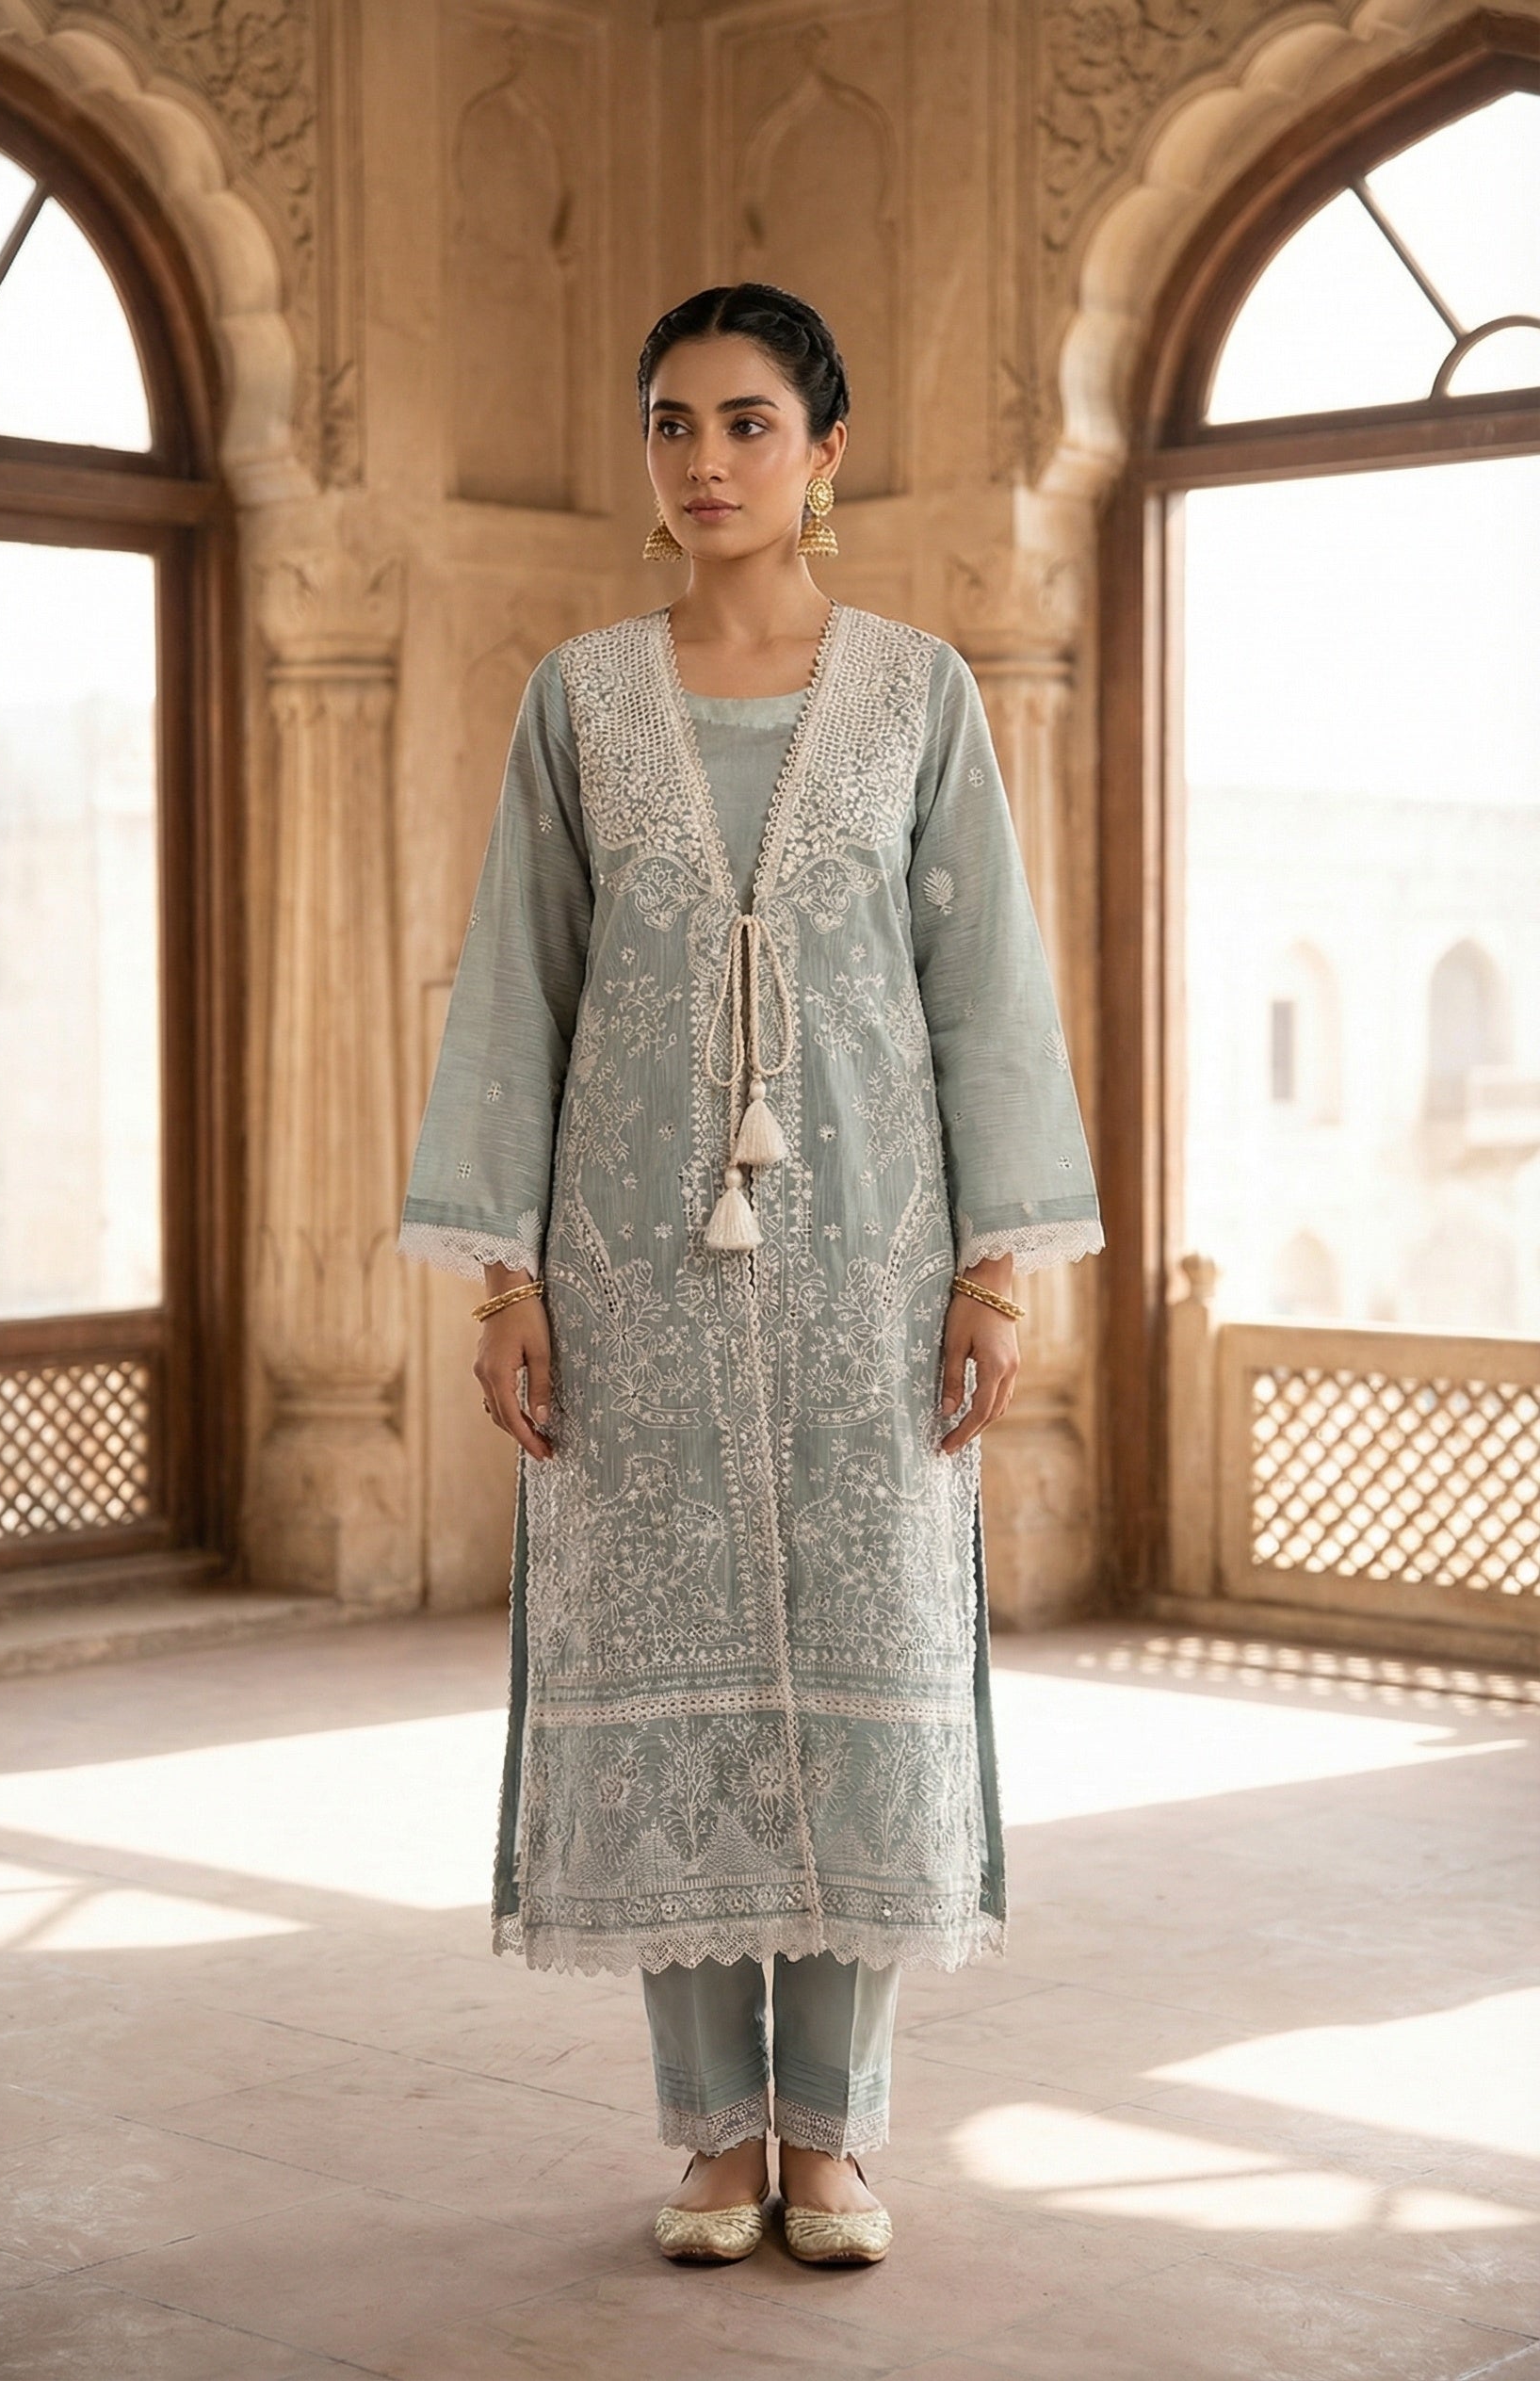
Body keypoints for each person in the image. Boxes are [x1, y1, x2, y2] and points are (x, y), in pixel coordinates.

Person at [398, 282, 1103, 2266]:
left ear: (823, 453)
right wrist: (503, 1281)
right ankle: (713, 2135)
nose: (702, 461)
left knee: (866, 1673)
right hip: (630, 1282)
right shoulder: (576, 699)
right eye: (669, 425)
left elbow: (984, 996)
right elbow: (514, 1000)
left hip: (865, 1284)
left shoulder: (916, 696)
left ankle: (835, 2135)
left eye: (742, 423)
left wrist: (991, 1276)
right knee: (665, 1675)